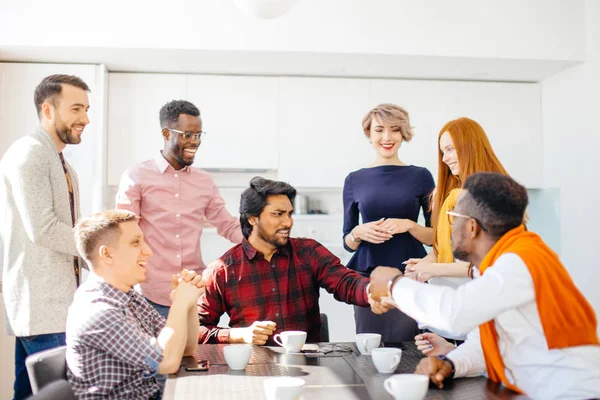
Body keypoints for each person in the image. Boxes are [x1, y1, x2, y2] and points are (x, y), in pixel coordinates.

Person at [369, 173, 600, 400]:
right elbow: (487, 341)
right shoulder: (500, 263)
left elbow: (455, 312)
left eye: (452, 217)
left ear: (471, 227)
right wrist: (451, 364)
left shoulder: (520, 261)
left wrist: (392, 284)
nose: (448, 228)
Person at [197, 177, 390, 345]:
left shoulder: (308, 251)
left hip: (310, 368)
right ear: (252, 219)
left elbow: (345, 282)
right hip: (254, 370)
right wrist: (237, 335)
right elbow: (196, 329)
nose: (288, 222)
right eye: (278, 214)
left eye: (289, 214)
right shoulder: (222, 271)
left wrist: (370, 291)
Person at [0, 74, 90, 399]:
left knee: (28, 394)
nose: (85, 119)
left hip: (54, 307)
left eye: (86, 109)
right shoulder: (30, 154)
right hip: (44, 308)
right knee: (61, 394)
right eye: (76, 109)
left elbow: (67, 233)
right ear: (47, 110)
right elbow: (44, 229)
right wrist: (101, 251)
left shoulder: (62, 163)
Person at [116, 100, 243, 318]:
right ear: (166, 133)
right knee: (156, 353)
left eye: (198, 135)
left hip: (193, 294)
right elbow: (124, 232)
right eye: (187, 135)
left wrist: (261, 239)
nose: (194, 142)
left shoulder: (204, 182)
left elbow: (228, 225)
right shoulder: (136, 176)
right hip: (149, 295)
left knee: (193, 353)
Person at [66, 210, 205, 399]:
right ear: (106, 254)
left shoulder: (130, 297)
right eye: (135, 242)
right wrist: (180, 302)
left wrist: (188, 303)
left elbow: (184, 350)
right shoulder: (99, 311)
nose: (148, 251)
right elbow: (166, 362)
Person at [342, 104, 434, 342]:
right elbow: (348, 243)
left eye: (394, 130)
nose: (386, 137)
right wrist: (358, 232)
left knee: (410, 344)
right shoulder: (354, 179)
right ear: (369, 135)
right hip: (367, 276)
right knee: (370, 345)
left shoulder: (421, 176)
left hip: (410, 274)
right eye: (379, 130)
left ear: (403, 134)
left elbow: (437, 237)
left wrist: (410, 225)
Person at [404, 117, 509, 282]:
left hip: (478, 296)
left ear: (470, 147)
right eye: (443, 151)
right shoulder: (449, 195)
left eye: (450, 149)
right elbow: (443, 248)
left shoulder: (495, 196)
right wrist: (421, 266)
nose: (444, 158)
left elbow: (487, 262)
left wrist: (434, 269)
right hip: (447, 295)